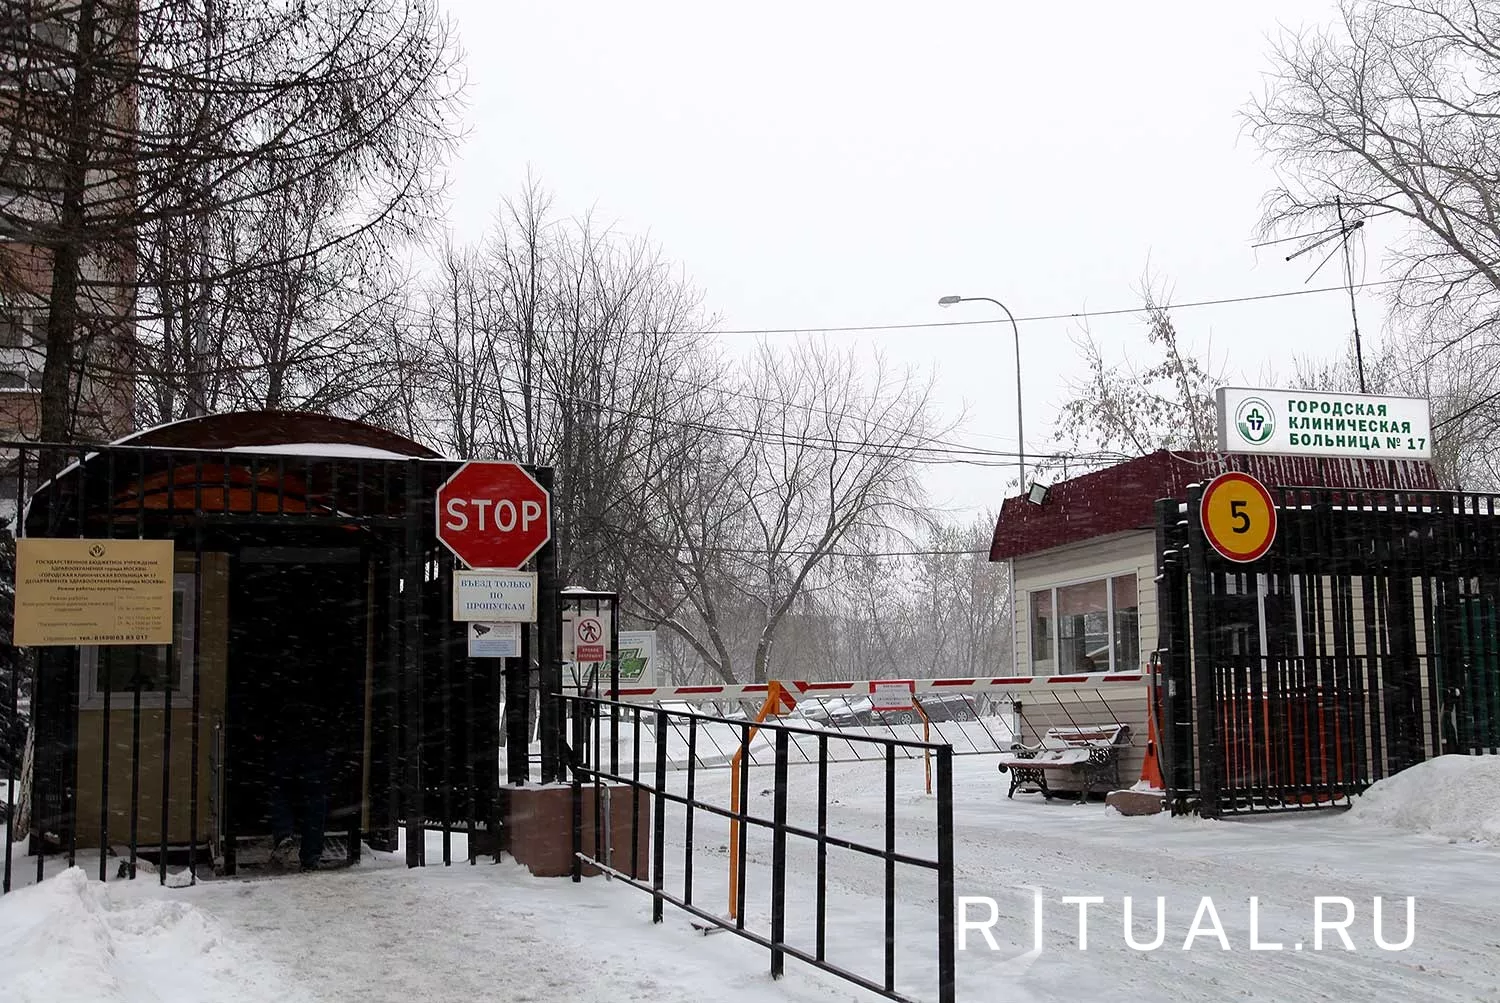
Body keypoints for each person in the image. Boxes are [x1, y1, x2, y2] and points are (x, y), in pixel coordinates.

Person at [267, 691, 330, 872]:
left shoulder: (284, 701)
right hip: (313, 745)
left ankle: (283, 833)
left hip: (286, 742)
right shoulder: (317, 697)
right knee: (315, 802)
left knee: (280, 790)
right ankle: (311, 857)